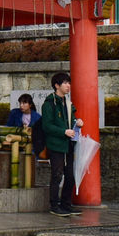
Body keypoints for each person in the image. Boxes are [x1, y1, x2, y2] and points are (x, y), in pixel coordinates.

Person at [40, 72, 83, 217]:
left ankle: (66, 204)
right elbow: (47, 126)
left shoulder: (68, 103)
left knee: (70, 175)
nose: (68, 86)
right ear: (56, 85)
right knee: (57, 175)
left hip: (68, 145)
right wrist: (63, 131)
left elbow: (71, 120)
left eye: (69, 83)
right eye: (65, 83)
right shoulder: (49, 104)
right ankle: (54, 205)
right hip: (56, 145)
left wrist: (77, 122)